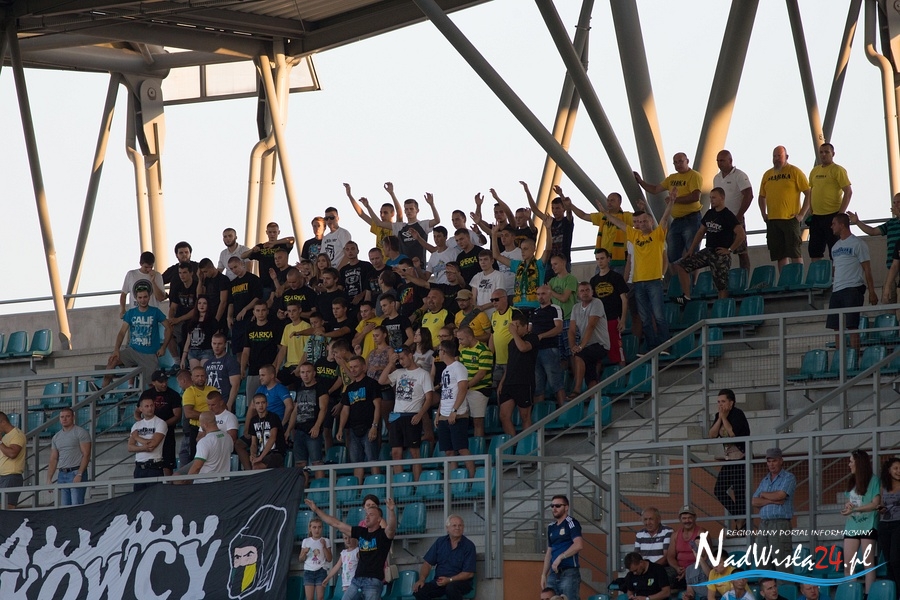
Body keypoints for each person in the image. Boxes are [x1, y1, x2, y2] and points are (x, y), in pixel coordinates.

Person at [601, 196, 675, 355]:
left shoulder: (658, 235)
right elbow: (620, 224)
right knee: (645, 317)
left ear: (650, 222)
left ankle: (665, 346)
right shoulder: (634, 235)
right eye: (639, 222)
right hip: (638, 282)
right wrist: (606, 214)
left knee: (659, 316)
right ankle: (652, 347)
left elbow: (664, 219)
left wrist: (671, 203)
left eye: (644, 221)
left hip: (654, 281)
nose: (641, 224)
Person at [305, 496, 397, 600]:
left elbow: (391, 528)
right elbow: (336, 524)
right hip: (356, 580)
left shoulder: (383, 535)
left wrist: (391, 511)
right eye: (366, 515)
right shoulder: (361, 532)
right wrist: (316, 510)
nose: (367, 517)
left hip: (373, 581)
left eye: (371, 515)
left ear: (379, 519)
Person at [671, 187, 745, 304]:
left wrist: (730, 250)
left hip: (720, 254)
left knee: (721, 285)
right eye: (710, 198)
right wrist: (691, 249)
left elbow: (741, 234)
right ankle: (686, 296)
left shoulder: (728, 215)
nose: (711, 200)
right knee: (681, 265)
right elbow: (700, 232)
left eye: (714, 197)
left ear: (722, 198)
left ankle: (722, 307)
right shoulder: (710, 213)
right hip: (708, 250)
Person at [634, 152, 704, 275]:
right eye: (675, 162)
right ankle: (678, 280)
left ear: (687, 161)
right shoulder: (672, 178)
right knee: (672, 255)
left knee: (692, 252)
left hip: (691, 218)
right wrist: (641, 182)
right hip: (677, 220)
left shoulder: (694, 175)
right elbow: (655, 189)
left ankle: (694, 282)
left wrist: (675, 199)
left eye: (680, 161)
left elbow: (695, 196)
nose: (678, 164)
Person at [379, 345, 434, 481]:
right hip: (397, 415)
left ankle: (417, 483)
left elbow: (429, 398)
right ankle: (400, 484)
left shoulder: (423, 374)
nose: (401, 362)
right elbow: (381, 381)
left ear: (410, 355)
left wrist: (420, 414)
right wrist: (391, 363)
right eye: (399, 360)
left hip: (412, 415)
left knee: (414, 452)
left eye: (403, 358)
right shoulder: (399, 372)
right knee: (395, 452)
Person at [827, 213, 877, 350]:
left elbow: (867, 269)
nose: (831, 227)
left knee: (852, 325)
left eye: (834, 224)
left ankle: (854, 356)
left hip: (852, 288)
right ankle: (840, 358)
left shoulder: (858, 243)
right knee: (836, 327)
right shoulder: (835, 247)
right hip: (837, 290)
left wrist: (872, 292)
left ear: (842, 225)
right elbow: (835, 269)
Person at [759, 146, 811, 272]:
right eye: (774, 156)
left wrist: (801, 215)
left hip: (790, 219)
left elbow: (809, 193)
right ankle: (784, 279)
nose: (776, 159)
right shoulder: (767, 174)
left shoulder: (794, 171)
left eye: (779, 156)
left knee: (794, 252)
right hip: (773, 220)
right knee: (780, 255)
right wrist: (763, 214)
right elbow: (761, 196)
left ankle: (797, 279)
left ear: (786, 157)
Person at [106, 288, 169, 385]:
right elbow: (122, 332)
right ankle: (103, 389)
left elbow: (169, 328)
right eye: (140, 297)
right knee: (112, 359)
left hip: (150, 354)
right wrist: (116, 350)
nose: (143, 300)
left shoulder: (155, 312)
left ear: (149, 297)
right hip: (133, 351)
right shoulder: (131, 313)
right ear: (136, 298)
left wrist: (163, 347)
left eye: (145, 297)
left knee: (151, 384)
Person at [709, 389, 751, 533]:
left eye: (723, 401)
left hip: (741, 458)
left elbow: (733, 434)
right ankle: (740, 518)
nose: (720, 404)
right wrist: (720, 418)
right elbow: (712, 435)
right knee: (719, 490)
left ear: (731, 402)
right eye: (718, 402)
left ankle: (741, 526)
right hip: (729, 459)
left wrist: (725, 418)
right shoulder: (718, 415)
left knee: (739, 492)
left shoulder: (738, 414)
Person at [567, 191, 637, 276]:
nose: (609, 203)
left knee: (618, 283)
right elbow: (583, 215)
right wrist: (571, 205)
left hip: (620, 259)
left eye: (612, 200)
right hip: (603, 258)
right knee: (599, 282)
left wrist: (642, 209)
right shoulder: (602, 216)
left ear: (619, 202)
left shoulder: (626, 216)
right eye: (608, 200)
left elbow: (640, 222)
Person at [803, 143, 853, 260]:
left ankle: (836, 272)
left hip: (832, 215)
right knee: (814, 250)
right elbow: (811, 190)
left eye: (826, 152)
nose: (823, 155)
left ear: (833, 154)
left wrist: (840, 214)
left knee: (835, 251)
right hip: (816, 217)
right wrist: (811, 209)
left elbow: (848, 192)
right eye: (821, 152)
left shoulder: (838, 170)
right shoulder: (814, 171)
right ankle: (818, 272)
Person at [848, 193, 900, 304]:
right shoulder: (890, 224)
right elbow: (872, 231)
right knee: (887, 300)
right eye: (894, 203)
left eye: (898, 202)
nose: (895, 205)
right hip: (891, 267)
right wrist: (857, 222)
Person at [338, 355, 382, 481]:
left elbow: (378, 406)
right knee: (356, 463)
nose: (352, 369)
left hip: (369, 427)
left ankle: (377, 487)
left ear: (363, 367)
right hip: (353, 429)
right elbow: (345, 410)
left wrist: (374, 426)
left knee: (373, 460)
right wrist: (340, 428)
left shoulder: (372, 383)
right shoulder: (349, 388)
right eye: (351, 367)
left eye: (355, 366)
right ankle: (356, 490)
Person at [752, 448, 796, 572]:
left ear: (781, 461)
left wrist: (764, 495)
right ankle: (765, 585)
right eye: (769, 461)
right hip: (763, 524)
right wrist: (771, 500)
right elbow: (754, 501)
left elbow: (781, 495)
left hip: (779, 523)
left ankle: (784, 585)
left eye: (774, 461)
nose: (771, 464)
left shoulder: (788, 477)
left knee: (782, 562)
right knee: (762, 561)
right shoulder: (765, 480)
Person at [842, 449, 880, 591]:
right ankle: (851, 593)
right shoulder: (852, 480)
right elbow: (850, 500)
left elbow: (875, 504)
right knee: (848, 564)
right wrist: (848, 506)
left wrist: (856, 509)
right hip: (852, 526)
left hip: (868, 525)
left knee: (867, 564)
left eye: (851, 461)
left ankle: (868, 594)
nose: (849, 464)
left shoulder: (874, 480)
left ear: (859, 463)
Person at [413, 514, 476, 600]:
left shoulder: (469, 546)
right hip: (440, 582)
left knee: (451, 588)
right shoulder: (440, 542)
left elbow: (469, 573)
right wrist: (422, 580)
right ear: (447, 528)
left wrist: (449, 580)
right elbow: (427, 564)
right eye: (454, 525)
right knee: (419, 590)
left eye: (460, 525)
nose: (457, 528)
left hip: (460, 583)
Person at [496, 310, 537, 435]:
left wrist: (514, 334)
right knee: (504, 415)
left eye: (517, 326)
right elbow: (510, 363)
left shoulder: (532, 338)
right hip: (509, 382)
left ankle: (526, 443)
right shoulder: (511, 343)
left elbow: (523, 348)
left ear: (525, 326)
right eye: (512, 326)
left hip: (524, 382)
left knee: (525, 416)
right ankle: (513, 443)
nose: (514, 328)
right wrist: (502, 382)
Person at [436, 340, 473, 476]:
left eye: (439, 350)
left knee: (462, 448)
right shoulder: (445, 370)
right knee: (449, 451)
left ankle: (472, 478)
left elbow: (463, 389)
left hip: (458, 414)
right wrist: (438, 414)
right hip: (444, 413)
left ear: (444, 351)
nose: (438, 353)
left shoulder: (459, 367)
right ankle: (454, 480)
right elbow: (445, 393)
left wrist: (454, 410)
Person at [713, 150, 754, 272]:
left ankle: (745, 278)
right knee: (720, 251)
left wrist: (739, 215)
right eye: (718, 161)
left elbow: (749, 195)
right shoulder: (716, 178)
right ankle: (723, 278)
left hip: (735, 219)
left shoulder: (739, 175)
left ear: (730, 161)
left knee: (741, 251)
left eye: (722, 160)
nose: (719, 163)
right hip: (721, 220)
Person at [135, 370, 183, 476]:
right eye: (161, 381)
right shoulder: (147, 394)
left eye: (165, 381)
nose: (164, 384)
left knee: (167, 464)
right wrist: (142, 423)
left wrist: (161, 426)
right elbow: (137, 412)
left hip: (167, 434)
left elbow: (177, 416)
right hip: (148, 433)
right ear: (153, 382)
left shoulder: (173, 394)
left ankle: (168, 485)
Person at [286, 362, 328, 478]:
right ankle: (301, 488)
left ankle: (321, 487)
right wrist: (288, 430)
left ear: (314, 373)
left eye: (308, 372)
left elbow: (323, 408)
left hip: (313, 430)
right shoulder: (299, 388)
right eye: (302, 372)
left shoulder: (320, 387)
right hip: (299, 431)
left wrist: (317, 426)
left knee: (317, 463)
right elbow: (295, 410)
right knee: (300, 464)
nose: (305, 375)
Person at [568, 282, 609, 395]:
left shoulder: (597, 303)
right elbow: (571, 330)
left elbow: (591, 325)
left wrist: (580, 347)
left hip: (600, 344)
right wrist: (573, 346)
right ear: (578, 294)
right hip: (587, 346)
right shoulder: (575, 307)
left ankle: (577, 389)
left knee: (579, 355)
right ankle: (594, 401)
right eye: (582, 291)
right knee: (590, 376)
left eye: (587, 290)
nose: (585, 293)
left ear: (592, 292)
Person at [541, 494, 584, 600]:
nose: (554, 508)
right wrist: (543, 574)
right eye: (552, 506)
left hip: (569, 571)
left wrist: (561, 557)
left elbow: (578, 544)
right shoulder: (551, 527)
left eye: (558, 506)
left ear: (566, 507)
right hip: (553, 573)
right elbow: (549, 551)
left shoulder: (571, 523)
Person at [590, 249, 628, 366]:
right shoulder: (593, 280)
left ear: (608, 259)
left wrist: (622, 319)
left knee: (617, 349)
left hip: (613, 318)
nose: (600, 261)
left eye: (602, 258)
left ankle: (622, 373)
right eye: (597, 259)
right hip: (599, 321)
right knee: (597, 352)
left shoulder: (616, 277)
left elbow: (624, 299)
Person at [46, 407, 92, 505]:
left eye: (67, 416)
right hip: (62, 474)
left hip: (76, 471)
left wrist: (79, 474)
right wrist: (49, 479)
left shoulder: (80, 432)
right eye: (62, 417)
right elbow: (53, 459)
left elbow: (86, 454)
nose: (64, 419)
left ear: (73, 417)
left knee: (76, 505)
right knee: (64, 507)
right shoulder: (56, 437)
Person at [523, 182, 574, 268]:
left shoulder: (567, 221)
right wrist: (527, 191)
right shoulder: (550, 220)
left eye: (557, 208)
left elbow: (569, 210)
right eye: (553, 208)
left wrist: (561, 194)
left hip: (563, 261)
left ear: (563, 209)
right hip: (550, 261)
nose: (555, 211)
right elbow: (535, 210)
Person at [530, 286, 566, 407]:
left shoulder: (555, 308)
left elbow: (559, 328)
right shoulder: (534, 311)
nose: (540, 296)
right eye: (538, 294)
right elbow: (529, 330)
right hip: (535, 351)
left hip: (549, 348)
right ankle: (539, 415)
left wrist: (542, 336)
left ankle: (564, 411)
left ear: (550, 294)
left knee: (555, 383)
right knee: (537, 386)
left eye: (543, 294)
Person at [455, 326, 492, 438]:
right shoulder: (463, 350)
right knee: (460, 419)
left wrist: (466, 386)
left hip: (479, 389)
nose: (459, 342)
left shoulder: (484, 350)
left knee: (478, 421)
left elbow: (481, 373)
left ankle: (479, 447)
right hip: (466, 389)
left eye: (461, 339)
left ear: (470, 337)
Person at [177, 410, 233, 483]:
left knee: (176, 479)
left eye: (200, 423)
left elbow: (197, 466)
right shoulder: (228, 437)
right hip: (223, 482)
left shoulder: (204, 441)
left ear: (205, 425)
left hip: (204, 483)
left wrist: (187, 483)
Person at [667, 506, 709, 600]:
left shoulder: (701, 533)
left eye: (690, 518)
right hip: (680, 570)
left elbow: (705, 556)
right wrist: (677, 568)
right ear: (680, 519)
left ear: (695, 518)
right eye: (684, 518)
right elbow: (670, 556)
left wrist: (689, 570)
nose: (687, 521)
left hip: (698, 568)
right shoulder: (675, 535)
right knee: (663, 576)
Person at [127, 397, 167, 491]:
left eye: (151, 405)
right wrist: (145, 447)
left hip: (154, 466)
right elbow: (130, 447)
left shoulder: (160, 423)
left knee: (155, 496)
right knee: (138, 497)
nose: (150, 408)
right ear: (141, 409)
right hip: (139, 467)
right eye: (147, 406)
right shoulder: (136, 425)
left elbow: (153, 445)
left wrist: (137, 438)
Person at [181, 365, 218, 463]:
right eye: (197, 376)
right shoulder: (189, 392)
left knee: (214, 456)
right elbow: (188, 413)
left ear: (206, 377)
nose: (200, 378)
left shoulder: (213, 390)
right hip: (196, 429)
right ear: (192, 378)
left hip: (214, 428)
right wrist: (208, 417)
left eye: (202, 376)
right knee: (197, 458)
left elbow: (220, 408)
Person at [226, 255, 263, 355]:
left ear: (242, 264)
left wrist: (245, 309)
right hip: (238, 321)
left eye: (235, 267)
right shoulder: (232, 283)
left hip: (250, 317)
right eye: (231, 269)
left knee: (250, 348)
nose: (234, 270)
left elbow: (257, 298)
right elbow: (231, 302)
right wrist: (229, 317)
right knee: (237, 350)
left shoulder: (253, 279)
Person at [206, 390, 251, 470]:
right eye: (208, 405)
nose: (210, 408)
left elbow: (231, 439)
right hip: (208, 450)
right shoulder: (207, 418)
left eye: (213, 405)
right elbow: (199, 437)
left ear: (221, 403)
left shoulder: (229, 417)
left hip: (221, 450)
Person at [120, 250, 166, 316]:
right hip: (135, 314)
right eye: (146, 267)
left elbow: (160, 298)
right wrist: (123, 309)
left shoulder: (157, 276)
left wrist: (153, 281)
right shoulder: (131, 274)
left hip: (152, 314)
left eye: (151, 267)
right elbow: (123, 294)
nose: (148, 269)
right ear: (140, 264)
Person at [248, 393, 287, 469]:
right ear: (254, 405)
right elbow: (253, 443)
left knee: (257, 467)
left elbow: (272, 437)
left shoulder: (273, 417)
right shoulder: (253, 420)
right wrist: (253, 454)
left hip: (275, 452)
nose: (260, 405)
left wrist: (260, 458)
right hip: (262, 454)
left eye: (263, 402)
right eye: (258, 403)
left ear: (267, 404)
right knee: (254, 466)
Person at [205, 332, 241, 411]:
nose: (216, 346)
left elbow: (235, 385)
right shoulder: (207, 363)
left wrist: (229, 404)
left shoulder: (231, 362)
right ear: (211, 344)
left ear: (225, 344)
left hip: (224, 402)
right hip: (210, 403)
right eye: (214, 343)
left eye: (219, 344)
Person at [879, 457, 900, 593]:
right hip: (884, 524)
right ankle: (893, 592)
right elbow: (880, 504)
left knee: (895, 559)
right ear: (889, 470)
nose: (899, 471)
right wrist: (880, 508)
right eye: (896, 468)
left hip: (898, 524)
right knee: (888, 562)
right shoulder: (884, 487)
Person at [300, 516, 333, 600]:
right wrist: (304, 552)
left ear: (322, 528)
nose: (317, 530)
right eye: (314, 527)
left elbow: (329, 559)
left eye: (319, 527)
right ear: (310, 528)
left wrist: (324, 547)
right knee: (309, 598)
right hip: (308, 571)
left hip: (321, 570)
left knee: (320, 597)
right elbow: (301, 559)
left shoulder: (326, 540)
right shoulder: (306, 541)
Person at [634, 507, 674, 572]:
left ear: (659, 519)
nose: (648, 522)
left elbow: (667, 557)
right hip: (645, 570)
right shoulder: (639, 534)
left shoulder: (667, 531)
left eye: (651, 519)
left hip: (662, 569)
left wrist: (650, 568)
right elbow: (636, 557)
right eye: (645, 519)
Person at [0, 411, 26, 509]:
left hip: (11, 476)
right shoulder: (5, 436)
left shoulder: (17, 434)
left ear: (3, 422)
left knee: (7, 507)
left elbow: (12, 453)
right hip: (3, 476)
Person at [470, 249, 505, 318]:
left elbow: (499, 297)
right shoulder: (477, 276)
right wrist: (476, 309)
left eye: (485, 259)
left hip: (494, 313)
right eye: (480, 260)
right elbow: (473, 297)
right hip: (480, 315)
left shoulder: (498, 275)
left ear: (492, 261)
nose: (483, 262)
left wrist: (482, 307)